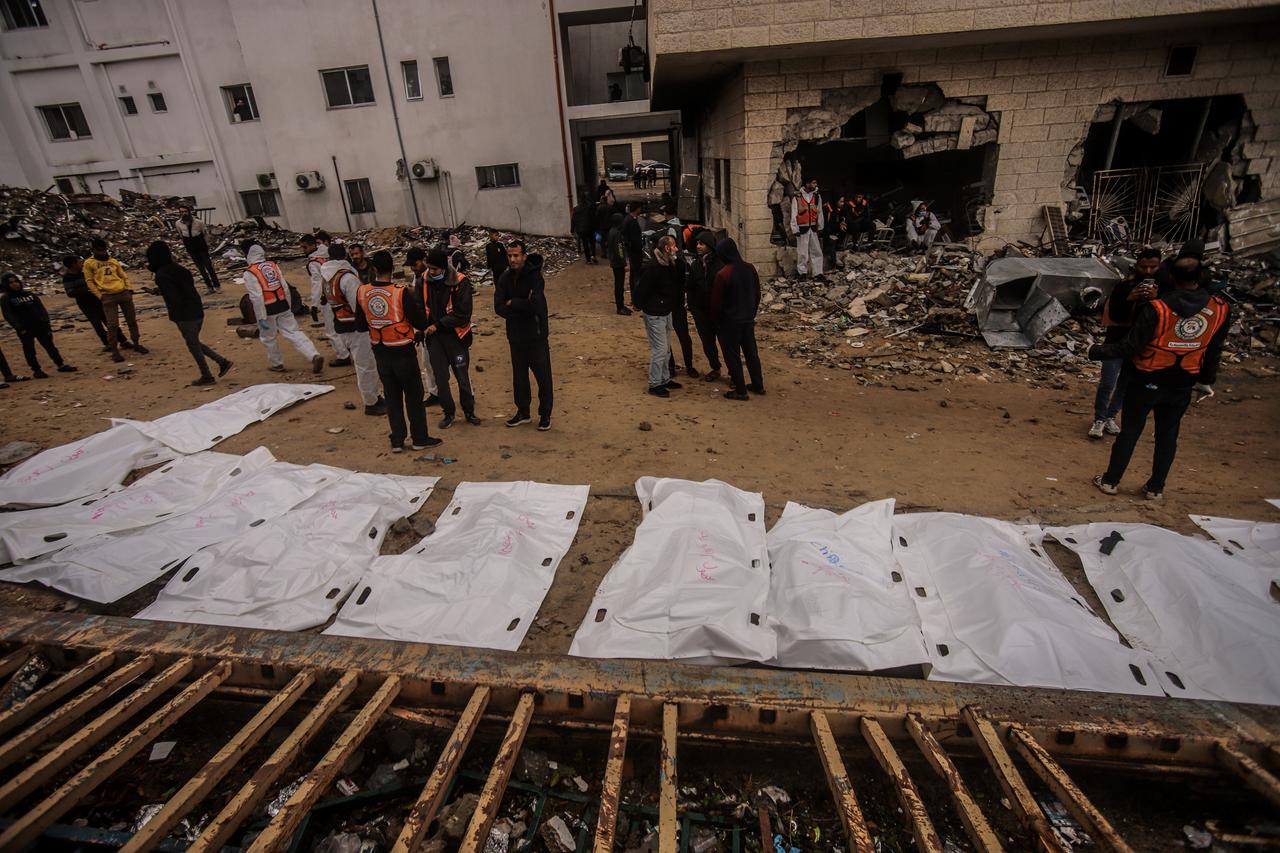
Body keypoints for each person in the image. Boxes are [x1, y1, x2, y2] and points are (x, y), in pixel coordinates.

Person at [1088, 256, 1230, 500]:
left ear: (1171, 277)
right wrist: (1206, 379)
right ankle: (1155, 487)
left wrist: (1095, 351)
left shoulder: (1158, 308)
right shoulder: (1218, 308)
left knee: (1130, 431)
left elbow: (1131, 346)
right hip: (1183, 379)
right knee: (1168, 435)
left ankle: (1111, 481)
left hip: (1148, 376)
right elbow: (1214, 348)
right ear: (1200, 277)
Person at [355, 250, 441, 452]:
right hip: (402, 350)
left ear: (374, 268)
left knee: (392, 397)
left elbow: (359, 325)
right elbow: (419, 321)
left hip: (380, 351)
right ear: (393, 268)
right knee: (413, 396)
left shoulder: (362, 292)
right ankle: (419, 438)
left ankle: (397, 440)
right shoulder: (400, 292)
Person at [1089, 248, 1161, 439]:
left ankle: (1111, 416)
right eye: (1144, 267)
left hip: (1138, 345)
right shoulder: (1124, 287)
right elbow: (1113, 315)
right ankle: (1100, 418)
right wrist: (1130, 299)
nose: (1148, 271)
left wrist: (1155, 300)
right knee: (1108, 383)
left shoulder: (1161, 291)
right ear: (1137, 266)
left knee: (1124, 384)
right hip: (1116, 343)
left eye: (1152, 267)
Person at [144, 241, 231, 386]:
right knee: (194, 343)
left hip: (184, 315)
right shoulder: (180, 269)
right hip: (197, 310)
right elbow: (182, 288)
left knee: (193, 345)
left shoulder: (161, 275)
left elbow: (174, 297)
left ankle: (207, 375)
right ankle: (222, 362)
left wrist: (175, 314)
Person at [240, 241, 324, 374]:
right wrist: (289, 306)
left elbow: (256, 297)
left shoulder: (250, 272)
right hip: (282, 304)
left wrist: (260, 317)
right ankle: (313, 355)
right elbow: (285, 287)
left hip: (267, 308)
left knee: (269, 338)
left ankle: (276, 363)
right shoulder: (273, 265)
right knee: (294, 332)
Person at [495, 240, 553, 430]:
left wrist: (514, 303)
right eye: (510, 256)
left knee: (543, 377)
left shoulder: (535, 277)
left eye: (516, 255)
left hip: (536, 336)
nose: (513, 259)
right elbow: (499, 307)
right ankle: (523, 412)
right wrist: (519, 304)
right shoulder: (504, 278)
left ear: (524, 256)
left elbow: (535, 306)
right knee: (519, 377)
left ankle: (545, 415)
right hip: (515, 337)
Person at [420, 248, 480, 429]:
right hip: (435, 340)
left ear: (444, 268)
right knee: (440, 378)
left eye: (435, 270)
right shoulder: (424, 281)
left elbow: (463, 315)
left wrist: (437, 325)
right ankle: (449, 413)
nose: (431, 272)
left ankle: (469, 411)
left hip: (456, 338)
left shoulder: (461, 282)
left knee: (462, 375)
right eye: (429, 268)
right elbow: (419, 305)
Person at [322, 244, 385, 416]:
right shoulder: (347, 278)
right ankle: (371, 402)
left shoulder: (327, 275)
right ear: (346, 256)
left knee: (364, 363)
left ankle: (374, 396)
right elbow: (359, 305)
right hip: (355, 326)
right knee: (365, 365)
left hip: (342, 323)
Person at [711, 238, 764, 401]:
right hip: (747, 319)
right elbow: (757, 294)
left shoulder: (723, 274)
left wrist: (716, 322)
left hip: (730, 322)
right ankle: (758, 385)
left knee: (732, 356)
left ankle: (740, 390)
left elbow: (716, 303)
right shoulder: (750, 268)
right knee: (751, 353)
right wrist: (751, 312)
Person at [1, 273, 77, 378]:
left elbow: (41, 309)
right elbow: (8, 315)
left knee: (50, 346)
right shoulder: (6, 299)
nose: (15, 284)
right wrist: (19, 327)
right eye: (11, 283)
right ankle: (36, 370)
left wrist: (46, 323)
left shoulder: (29, 294)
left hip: (39, 325)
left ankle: (60, 364)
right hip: (25, 328)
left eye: (16, 281)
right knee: (29, 349)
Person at [635, 235, 683, 398]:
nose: (677, 249)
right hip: (655, 313)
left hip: (665, 310)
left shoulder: (668, 263)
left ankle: (664, 378)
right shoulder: (653, 267)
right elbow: (642, 289)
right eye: (674, 246)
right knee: (660, 349)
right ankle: (655, 383)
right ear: (667, 249)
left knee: (666, 348)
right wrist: (639, 304)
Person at [83, 238, 148, 361]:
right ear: (94, 250)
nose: (102, 252)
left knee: (132, 321)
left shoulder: (113, 261)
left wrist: (128, 288)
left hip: (123, 293)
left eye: (104, 250)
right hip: (107, 296)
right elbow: (89, 282)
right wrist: (100, 296)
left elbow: (123, 275)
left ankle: (136, 343)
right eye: (99, 250)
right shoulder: (89, 263)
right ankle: (114, 351)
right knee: (112, 325)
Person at [302, 233, 351, 366]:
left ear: (313, 245)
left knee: (331, 330)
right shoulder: (328, 257)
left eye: (305, 247)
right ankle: (348, 348)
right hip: (342, 296)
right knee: (344, 324)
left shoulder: (314, 263)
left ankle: (343, 355)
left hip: (328, 298)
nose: (303, 250)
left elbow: (317, 284)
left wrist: (314, 305)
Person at [404, 249, 443, 408]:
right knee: (427, 362)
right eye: (411, 265)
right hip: (426, 327)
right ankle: (434, 393)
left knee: (455, 365)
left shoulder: (437, 275)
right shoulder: (418, 278)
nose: (413, 268)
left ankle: (467, 395)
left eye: (415, 264)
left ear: (424, 259)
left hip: (443, 326)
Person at [61, 254, 122, 353]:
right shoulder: (68, 278)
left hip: (98, 300)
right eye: (79, 262)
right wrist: (88, 290)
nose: (81, 264)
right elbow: (70, 293)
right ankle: (107, 344)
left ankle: (122, 340)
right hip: (86, 304)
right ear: (73, 264)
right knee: (97, 324)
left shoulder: (85, 273)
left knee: (110, 322)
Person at [686, 230, 724, 382]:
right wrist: (693, 307)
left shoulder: (719, 264)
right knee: (708, 342)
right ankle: (715, 367)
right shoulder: (695, 264)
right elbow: (691, 287)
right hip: (701, 311)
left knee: (725, 343)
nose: (698, 246)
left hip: (718, 311)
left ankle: (735, 374)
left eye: (701, 244)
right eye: (697, 243)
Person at [172, 206, 221, 293]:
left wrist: (206, 244)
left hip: (200, 244)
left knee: (208, 266)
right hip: (190, 245)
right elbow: (181, 234)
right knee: (200, 268)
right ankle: (209, 287)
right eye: (181, 212)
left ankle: (217, 286)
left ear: (189, 212)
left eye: (185, 211)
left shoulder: (198, 222)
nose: (183, 213)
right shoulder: (178, 223)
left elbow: (204, 233)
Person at [791, 178, 824, 278]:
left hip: (813, 228)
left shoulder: (817, 196)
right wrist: (794, 228)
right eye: (813, 183)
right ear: (807, 184)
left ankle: (818, 273)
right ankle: (802, 273)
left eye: (815, 182)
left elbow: (819, 212)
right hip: (802, 229)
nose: (815, 185)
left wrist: (820, 226)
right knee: (802, 252)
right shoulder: (797, 198)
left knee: (817, 251)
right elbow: (794, 213)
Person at [605, 213, 633, 316]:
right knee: (619, 285)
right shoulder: (616, 233)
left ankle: (621, 305)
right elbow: (619, 250)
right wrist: (623, 262)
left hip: (615, 262)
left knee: (619, 285)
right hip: (618, 263)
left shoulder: (612, 231)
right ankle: (620, 307)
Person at [622, 206, 643, 307]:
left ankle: (634, 299)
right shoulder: (632, 222)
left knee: (633, 275)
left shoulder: (627, 219)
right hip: (635, 252)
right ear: (637, 209)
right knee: (636, 276)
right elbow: (635, 239)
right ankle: (636, 300)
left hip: (632, 251)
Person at [572, 198, 596, 265]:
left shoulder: (576, 209)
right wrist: (595, 226)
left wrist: (572, 229)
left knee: (585, 244)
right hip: (590, 228)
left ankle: (588, 260)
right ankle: (593, 255)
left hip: (581, 229)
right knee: (592, 242)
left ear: (579, 201)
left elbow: (573, 220)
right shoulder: (590, 207)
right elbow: (593, 217)